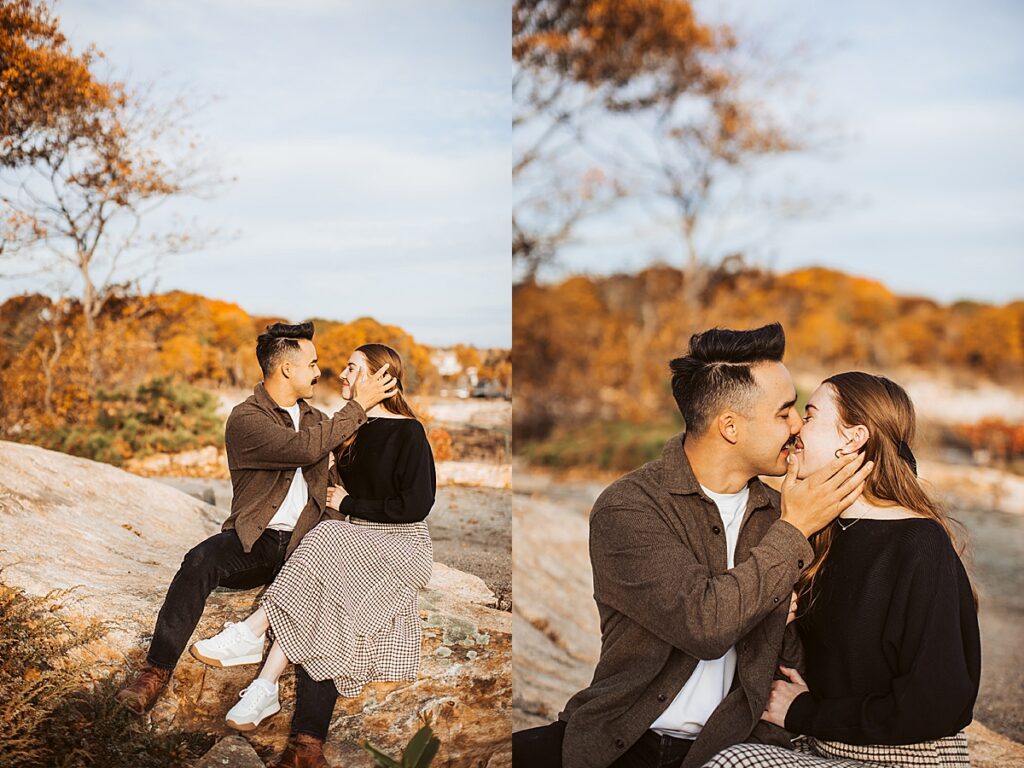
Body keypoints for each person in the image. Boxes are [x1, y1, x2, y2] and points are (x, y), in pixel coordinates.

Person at [512, 322, 874, 768]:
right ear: (730, 427)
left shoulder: (788, 511)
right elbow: (703, 625)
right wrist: (791, 540)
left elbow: (804, 652)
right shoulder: (629, 508)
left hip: (738, 750)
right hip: (624, 741)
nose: (798, 424)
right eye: (783, 412)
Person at [114, 322, 397, 717]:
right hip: (256, 542)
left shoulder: (319, 420)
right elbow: (302, 450)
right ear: (286, 370)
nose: (318, 372)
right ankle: (154, 672)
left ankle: (306, 745)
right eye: (312, 364)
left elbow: (340, 480)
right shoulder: (246, 419)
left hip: (307, 546)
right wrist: (356, 408)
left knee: (327, 612)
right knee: (199, 560)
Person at [703, 372, 980, 768]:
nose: (797, 425)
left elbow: (936, 702)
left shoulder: (918, 544)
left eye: (811, 415)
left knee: (733, 764)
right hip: (824, 746)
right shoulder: (822, 532)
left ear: (852, 439)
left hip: (906, 759)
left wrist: (805, 713)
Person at [190, 343, 435, 768]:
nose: (341, 374)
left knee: (324, 538)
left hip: (400, 543)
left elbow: (416, 505)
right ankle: (265, 689)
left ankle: (253, 631)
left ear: (382, 379)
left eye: (352, 368)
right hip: (353, 538)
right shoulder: (350, 429)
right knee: (321, 578)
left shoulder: (408, 432)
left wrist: (351, 506)